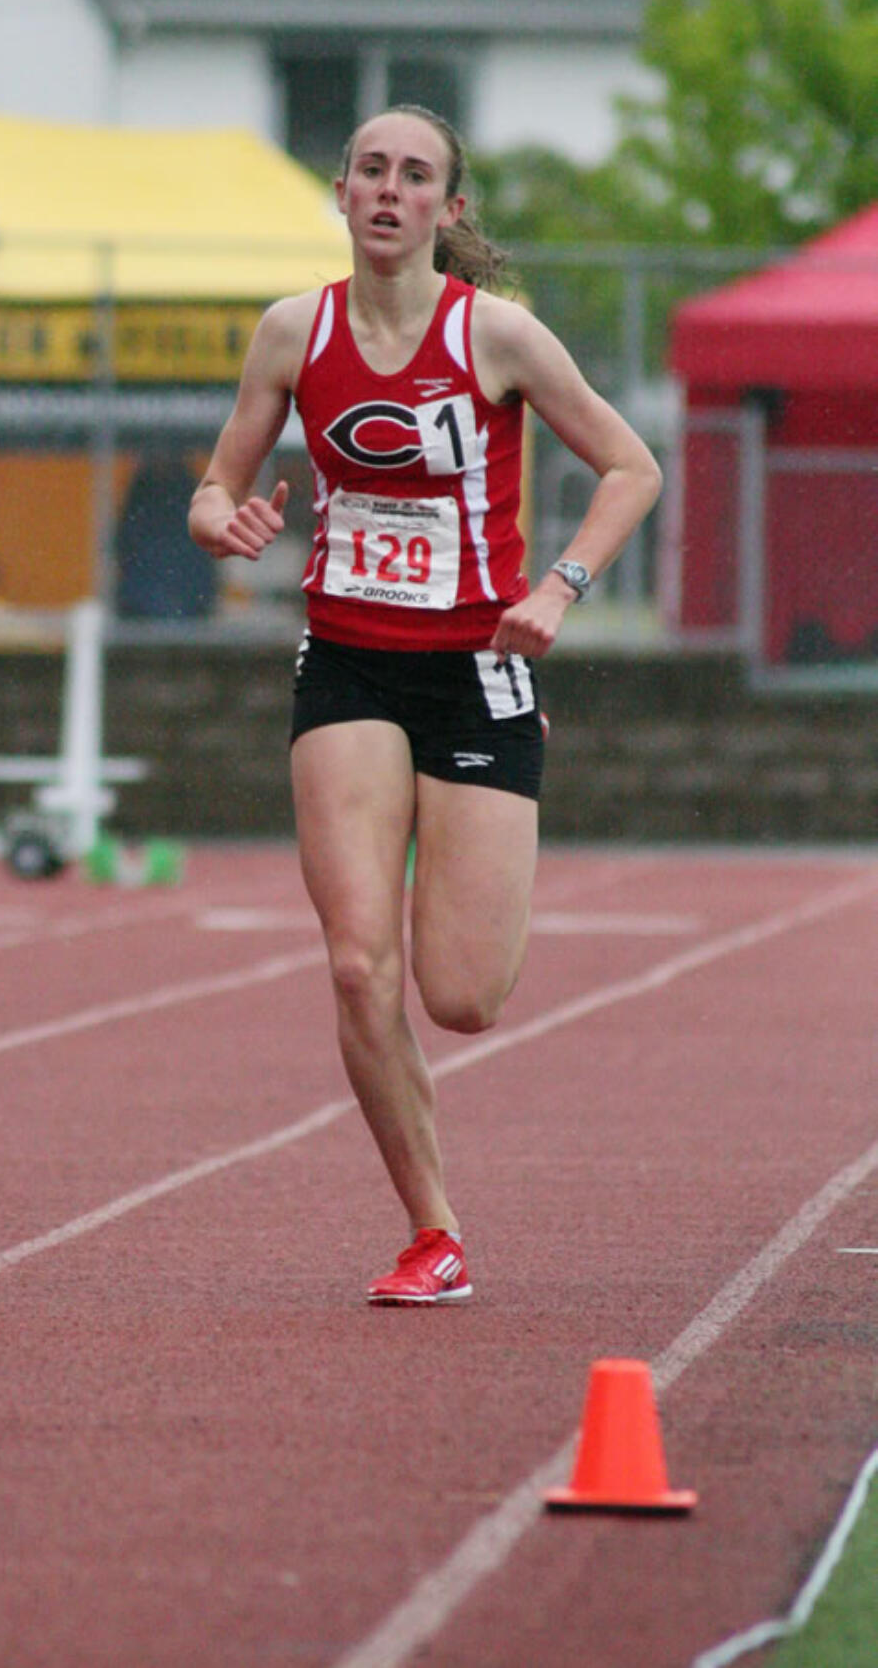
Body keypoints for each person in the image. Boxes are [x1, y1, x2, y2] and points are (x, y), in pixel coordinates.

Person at [189, 105, 662, 1304]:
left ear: (448, 210)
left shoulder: (496, 335)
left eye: (415, 176)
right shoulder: (293, 331)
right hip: (345, 661)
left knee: (459, 998)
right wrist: (223, 521)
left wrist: (560, 584)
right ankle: (431, 1230)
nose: (388, 191)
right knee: (357, 964)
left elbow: (629, 465)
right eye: (370, 170)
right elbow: (215, 484)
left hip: (475, 667)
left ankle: (485, 804)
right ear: (340, 193)